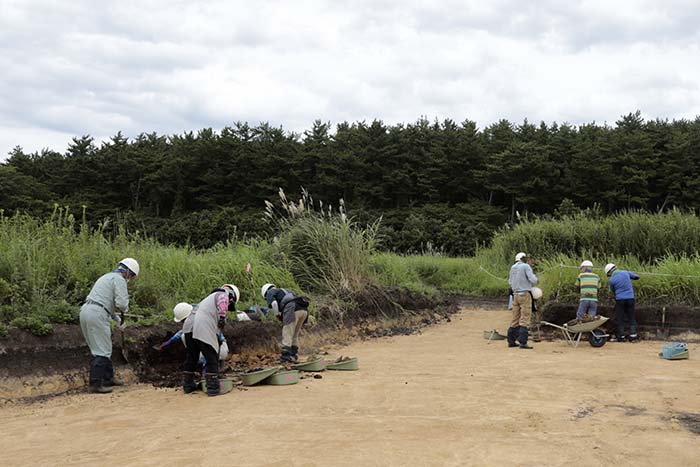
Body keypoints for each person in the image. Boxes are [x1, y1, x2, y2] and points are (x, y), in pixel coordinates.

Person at [79, 257, 139, 394]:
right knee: (102, 350)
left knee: (102, 347)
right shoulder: (119, 280)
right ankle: (96, 385)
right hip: (97, 314)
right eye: (132, 277)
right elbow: (122, 304)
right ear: (129, 273)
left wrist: (118, 321)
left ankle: (108, 378)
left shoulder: (107, 277)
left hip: (87, 311)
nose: (130, 280)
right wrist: (125, 310)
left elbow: (107, 306)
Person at [183, 284, 239, 396]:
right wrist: (223, 317)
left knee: (192, 357)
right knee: (211, 357)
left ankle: (188, 385)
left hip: (188, 327)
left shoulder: (206, 301)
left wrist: (217, 336)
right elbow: (223, 302)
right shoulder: (223, 294)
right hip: (201, 325)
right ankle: (213, 388)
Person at [157, 303, 229, 375]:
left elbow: (208, 346)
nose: (184, 323)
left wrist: (205, 370)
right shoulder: (196, 320)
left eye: (183, 320)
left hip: (221, 350)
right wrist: (168, 342)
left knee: (186, 337)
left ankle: (214, 366)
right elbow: (181, 332)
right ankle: (211, 364)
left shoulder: (202, 324)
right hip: (214, 350)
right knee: (185, 335)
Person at [261, 283, 310, 362]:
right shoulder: (286, 290)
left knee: (287, 331)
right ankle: (293, 354)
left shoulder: (271, 292)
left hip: (292, 308)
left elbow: (274, 303)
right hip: (304, 310)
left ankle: (286, 356)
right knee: (294, 333)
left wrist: (277, 315)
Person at [507, 252, 538, 349]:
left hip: (515, 295)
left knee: (515, 318)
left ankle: (511, 341)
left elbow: (510, 282)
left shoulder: (513, 267)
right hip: (524, 294)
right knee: (525, 318)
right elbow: (533, 280)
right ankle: (523, 342)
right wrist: (536, 279)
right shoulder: (526, 266)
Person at [605, 263, 640, 342]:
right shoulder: (625, 272)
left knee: (620, 318)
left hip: (620, 300)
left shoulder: (612, 280)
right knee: (631, 317)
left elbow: (612, 291)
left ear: (609, 272)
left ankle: (621, 337)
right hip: (630, 298)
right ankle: (633, 336)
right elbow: (636, 277)